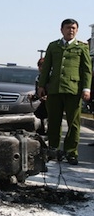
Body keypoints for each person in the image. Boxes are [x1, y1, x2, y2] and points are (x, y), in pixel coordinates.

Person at [38, 18, 92, 165]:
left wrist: (86, 89)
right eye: (68, 28)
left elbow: (87, 70)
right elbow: (46, 68)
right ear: (61, 30)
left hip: (73, 90)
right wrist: (41, 86)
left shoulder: (82, 47)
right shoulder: (53, 46)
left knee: (73, 123)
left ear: (77, 30)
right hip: (55, 89)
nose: (71, 30)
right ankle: (53, 149)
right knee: (54, 121)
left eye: (74, 28)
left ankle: (71, 152)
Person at [29, 58, 48, 135]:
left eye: (43, 66)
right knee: (37, 115)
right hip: (43, 103)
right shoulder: (38, 78)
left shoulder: (52, 78)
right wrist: (33, 97)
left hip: (52, 104)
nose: (40, 68)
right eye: (39, 66)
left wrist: (48, 97)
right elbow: (38, 94)